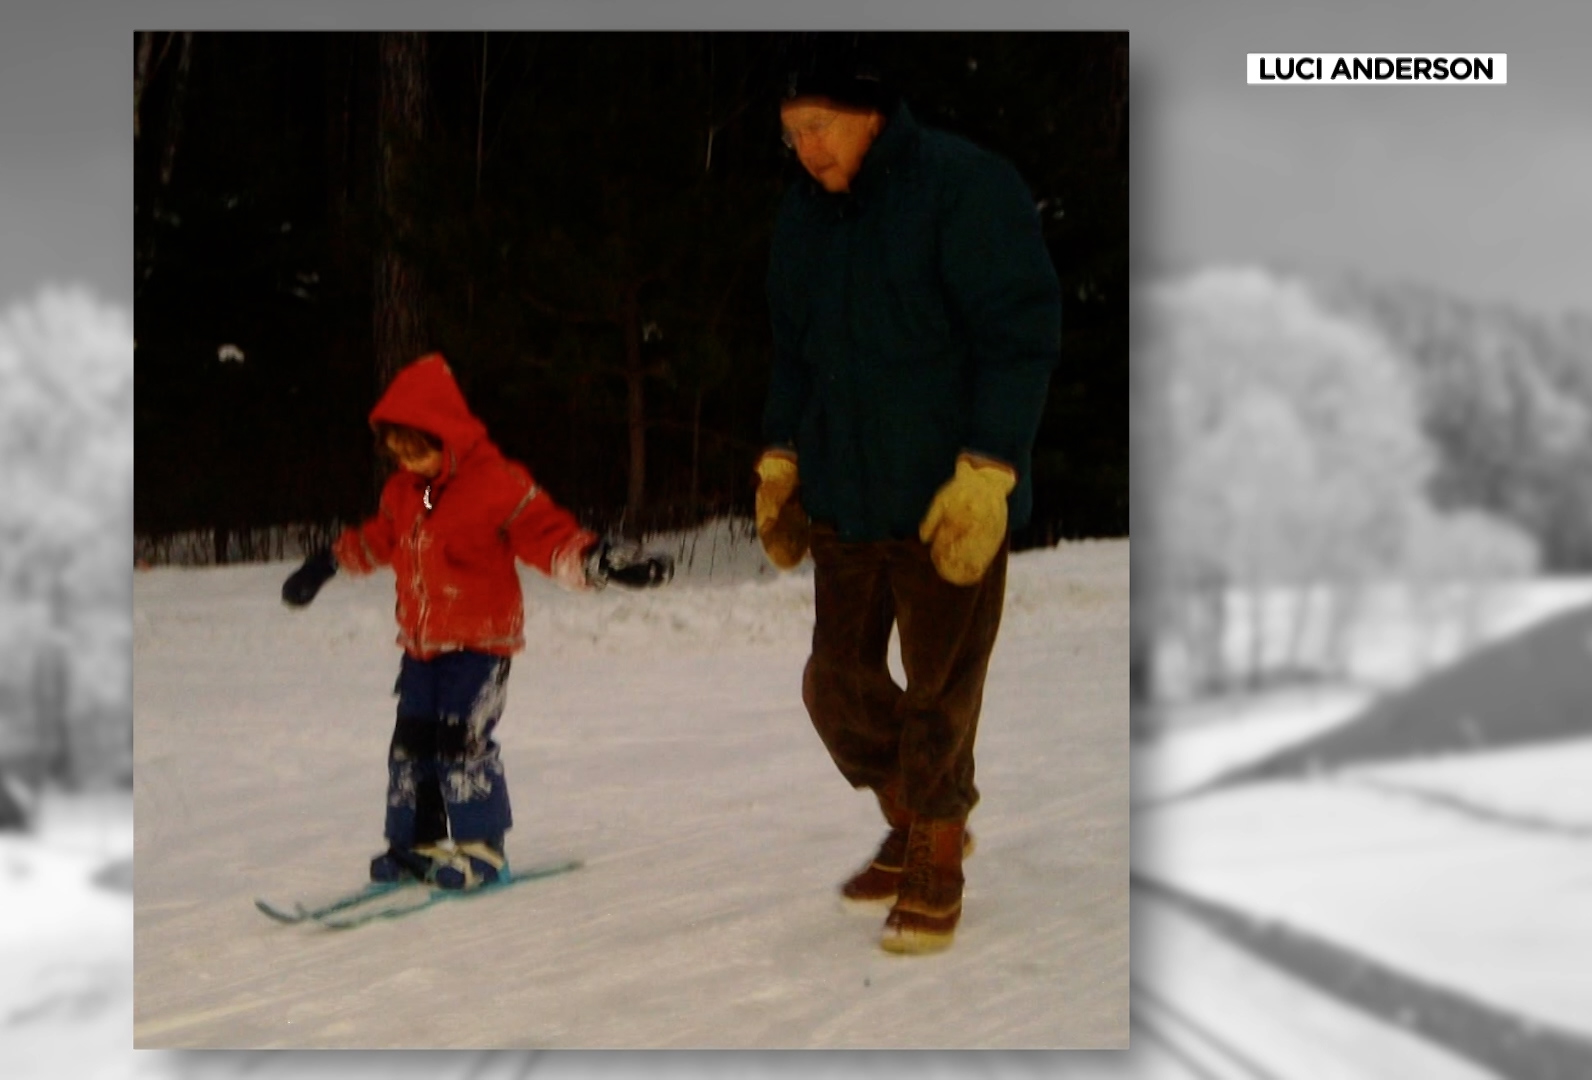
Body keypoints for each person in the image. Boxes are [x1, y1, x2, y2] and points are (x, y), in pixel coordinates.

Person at [757, 54, 1061, 953]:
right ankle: (922, 807)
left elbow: (1020, 334)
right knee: (834, 684)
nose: (806, 150)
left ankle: (933, 848)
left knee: (941, 689)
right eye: (791, 133)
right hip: (847, 496)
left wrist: (990, 470)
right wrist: (780, 460)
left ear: (870, 115)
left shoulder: (964, 189)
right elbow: (792, 356)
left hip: (947, 499)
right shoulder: (804, 219)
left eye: (820, 126)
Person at [284, 353, 672, 890]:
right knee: (412, 744)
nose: (409, 464)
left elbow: (548, 535)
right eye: (398, 454)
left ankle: (482, 850)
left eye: (417, 451)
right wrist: (326, 563)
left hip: (479, 644)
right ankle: (415, 843)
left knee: (460, 741)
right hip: (421, 646)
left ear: (445, 435)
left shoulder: (496, 484)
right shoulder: (415, 489)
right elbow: (385, 535)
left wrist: (594, 560)